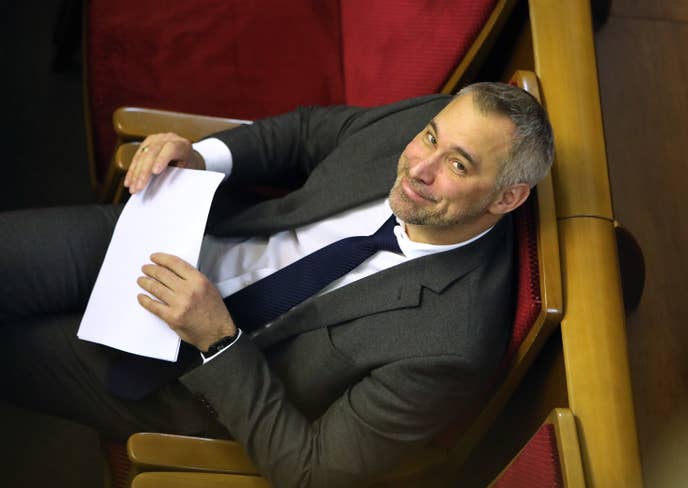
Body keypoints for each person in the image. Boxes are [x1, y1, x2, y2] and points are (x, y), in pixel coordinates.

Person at [0, 82, 553, 487]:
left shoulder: (450, 347)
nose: (419, 167)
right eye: (430, 138)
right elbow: (309, 131)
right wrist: (204, 155)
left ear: (506, 197)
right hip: (182, 239)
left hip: (183, 378)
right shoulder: (437, 123)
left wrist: (218, 340)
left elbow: (310, 472)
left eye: (457, 166)